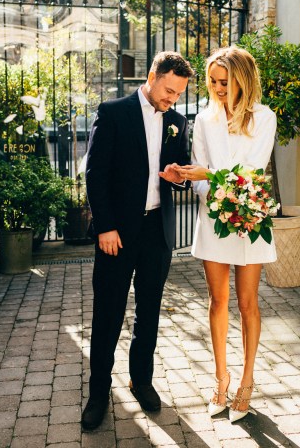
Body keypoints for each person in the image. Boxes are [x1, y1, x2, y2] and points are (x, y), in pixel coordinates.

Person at [82, 51, 193, 431]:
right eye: (168, 90)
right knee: (108, 313)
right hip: (118, 232)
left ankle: (140, 380)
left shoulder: (177, 122)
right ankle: (98, 393)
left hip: (156, 233)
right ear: (151, 76)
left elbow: (178, 173)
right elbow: (95, 173)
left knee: (149, 313)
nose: (171, 99)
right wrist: (105, 226)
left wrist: (178, 176)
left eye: (178, 94)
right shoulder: (113, 112)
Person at [175, 46, 277, 423]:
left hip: (250, 222)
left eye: (224, 82)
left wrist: (208, 177)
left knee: (247, 303)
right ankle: (221, 378)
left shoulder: (265, 118)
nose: (217, 88)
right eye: (213, 81)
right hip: (215, 219)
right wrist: (198, 181)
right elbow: (201, 173)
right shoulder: (204, 120)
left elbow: (253, 172)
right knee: (218, 302)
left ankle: (247, 381)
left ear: (242, 80)